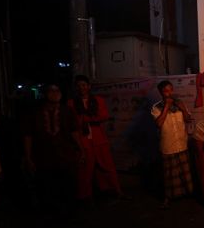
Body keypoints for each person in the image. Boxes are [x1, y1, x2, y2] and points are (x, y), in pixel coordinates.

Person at [24, 84, 84, 215]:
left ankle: (69, 213)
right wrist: (28, 157)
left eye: (57, 90)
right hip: (43, 156)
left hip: (66, 155)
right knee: (47, 186)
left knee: (68, 185)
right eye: (51, 90)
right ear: (45, 94)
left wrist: (81, 149)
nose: (55, 93)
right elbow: (28, 135)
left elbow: (74, 131)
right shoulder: (35, 112)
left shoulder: (67, 111)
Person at [67, 75, 127, 204]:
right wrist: (86, 120)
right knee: (84, 169)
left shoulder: (98, 100)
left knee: (107, 165)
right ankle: (85, 196)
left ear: (89, 86)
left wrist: (87, 119)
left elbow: (103, 115)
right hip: (83, 139)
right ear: (76, 88)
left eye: (84, 85)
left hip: (98, 137)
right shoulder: (71, 103)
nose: (81, 88)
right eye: (79, 85)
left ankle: (114, 191)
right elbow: (72, 121)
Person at [151, 80, 194, 209]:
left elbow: (187, 119)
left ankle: (188, 194)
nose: (169, 93)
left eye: (170, 90)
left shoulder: (179, 103)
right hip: (168, 145)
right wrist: (166, 107)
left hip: (181, 142)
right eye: (165, 91)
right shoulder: (156, 107)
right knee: (169, 174)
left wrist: (182, 108)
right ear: (160, 92)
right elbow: (158, 124)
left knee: (184, 172)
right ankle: (168, 197)